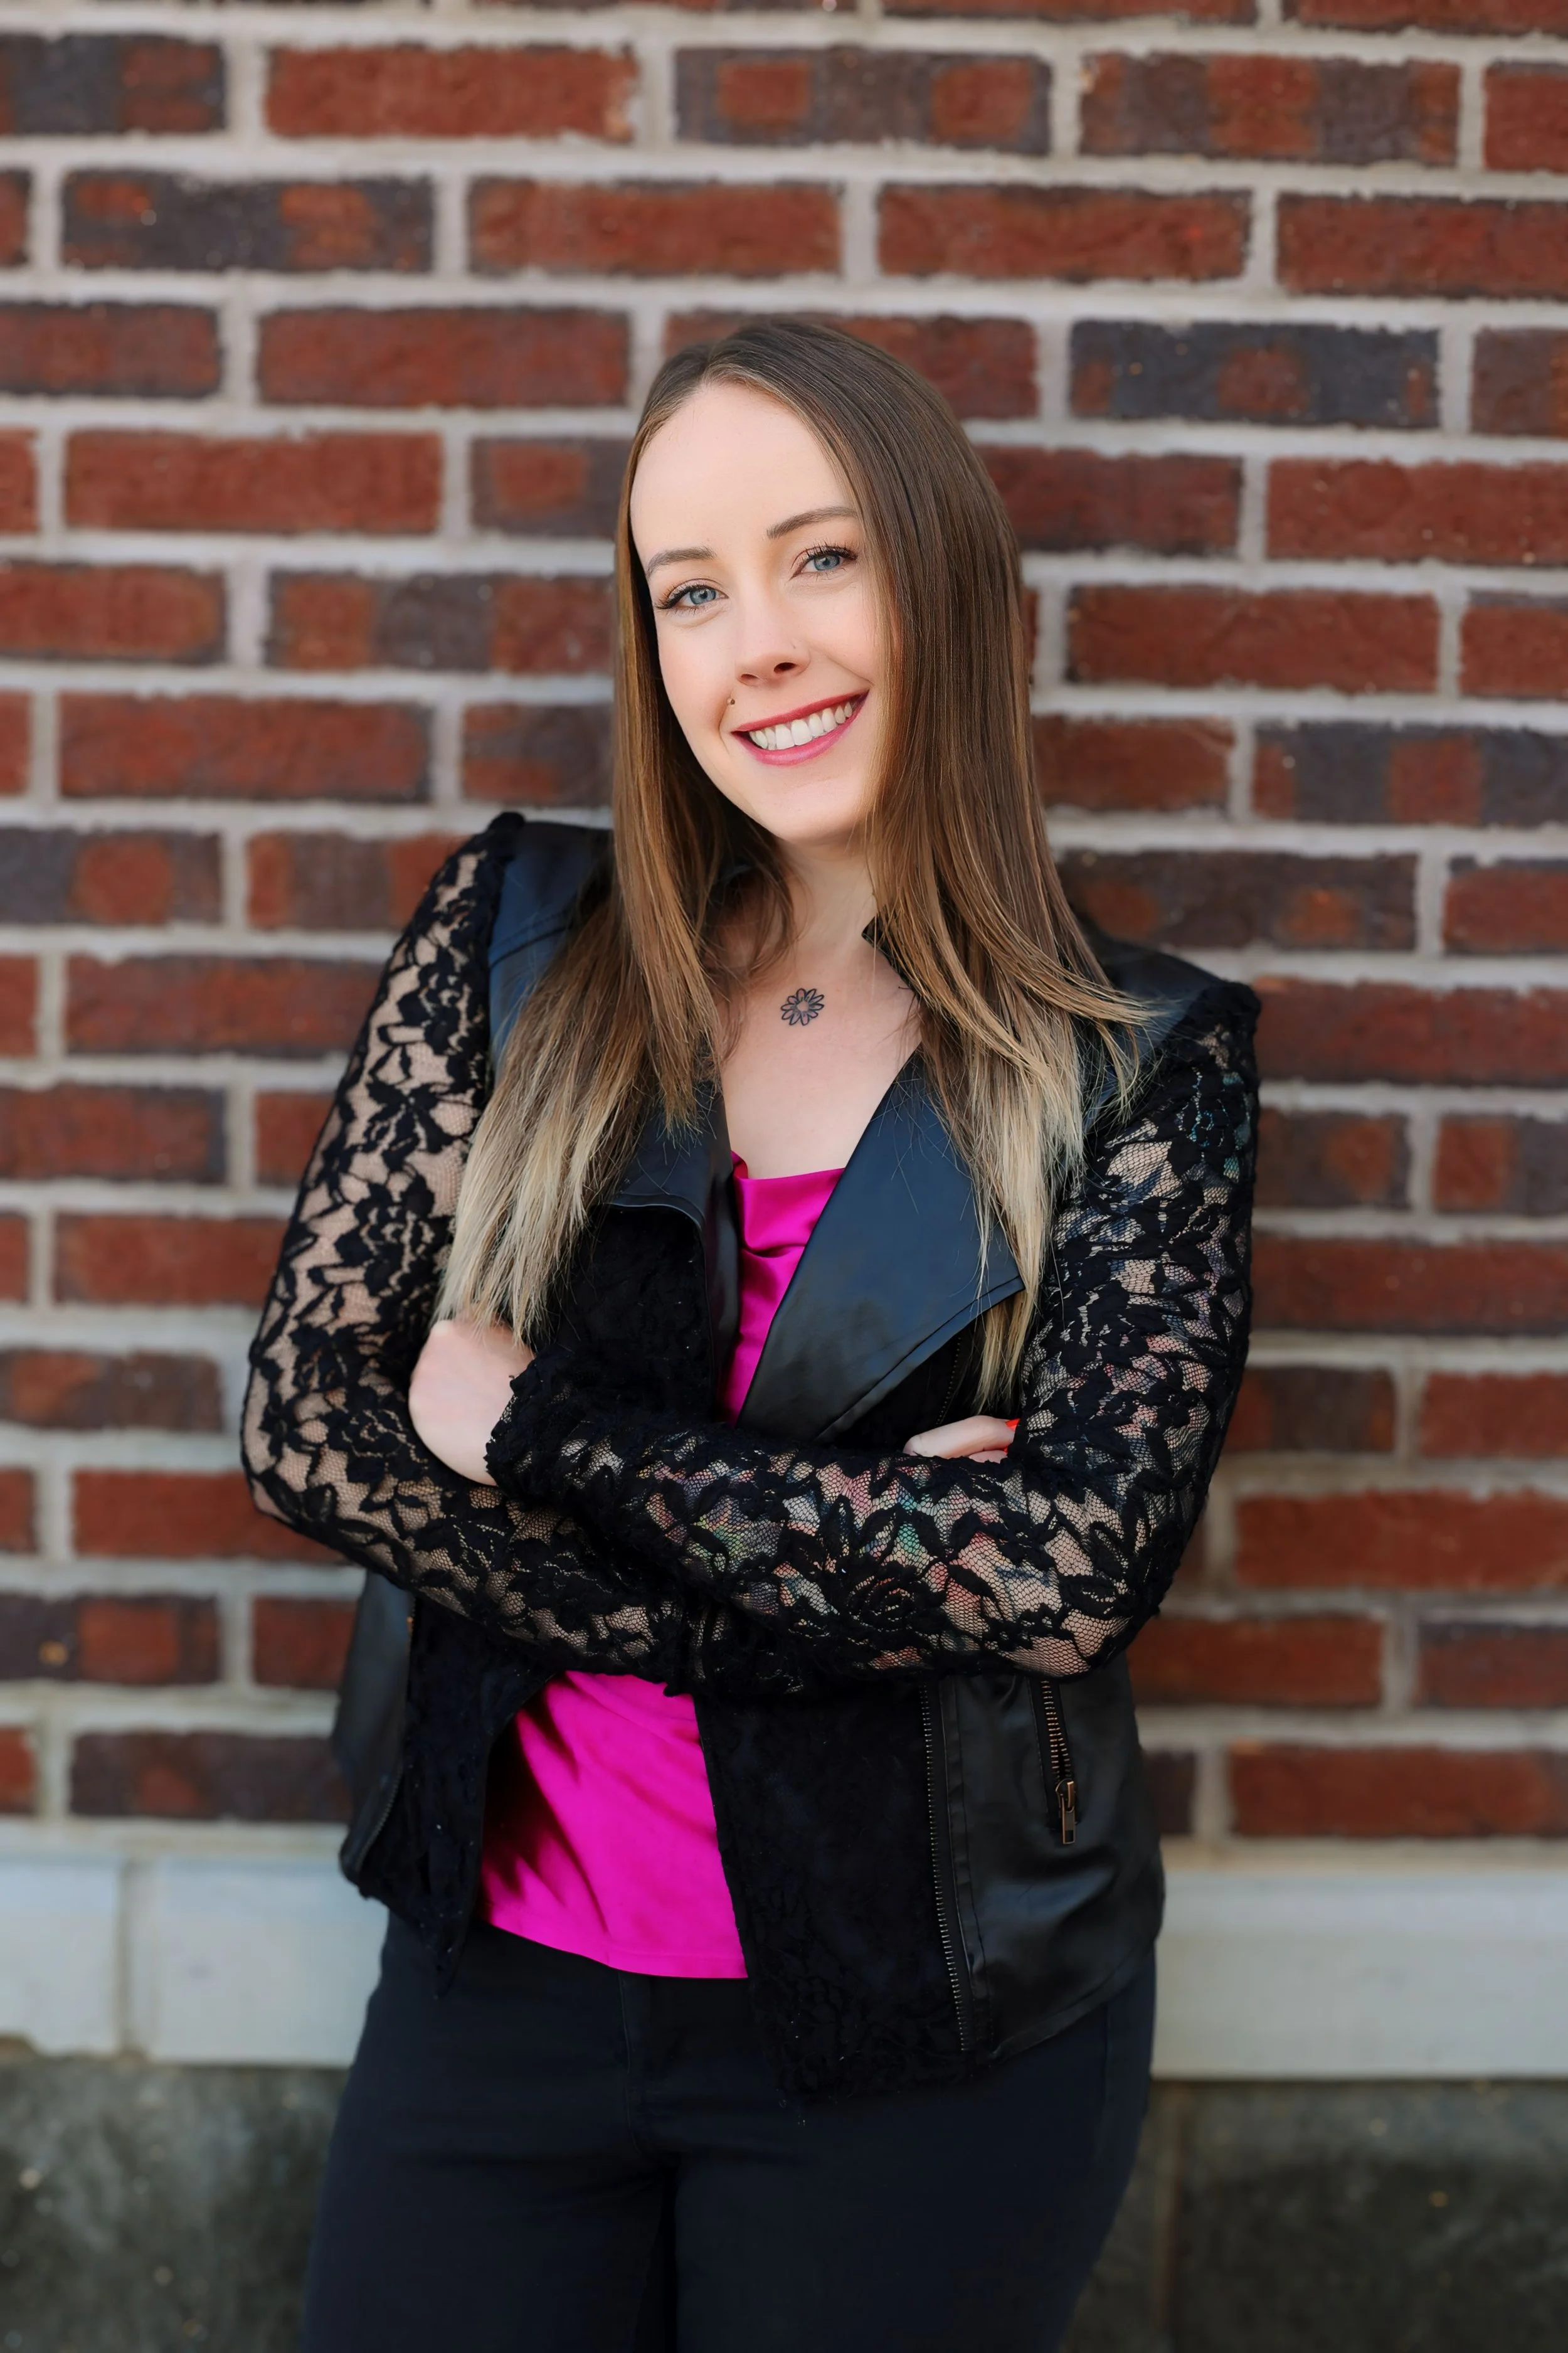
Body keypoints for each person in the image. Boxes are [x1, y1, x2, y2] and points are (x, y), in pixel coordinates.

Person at [241, 316, 1258, 2353]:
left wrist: (546, 1434)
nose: (754, 640)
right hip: (496, 1986)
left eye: (820, 557)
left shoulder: (1134, 1061)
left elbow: (1063, 1570)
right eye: (688, 588)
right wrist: (849, 1555)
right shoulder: (518, 936)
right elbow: (315, 1421)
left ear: (942, 584)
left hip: (923, 2025)